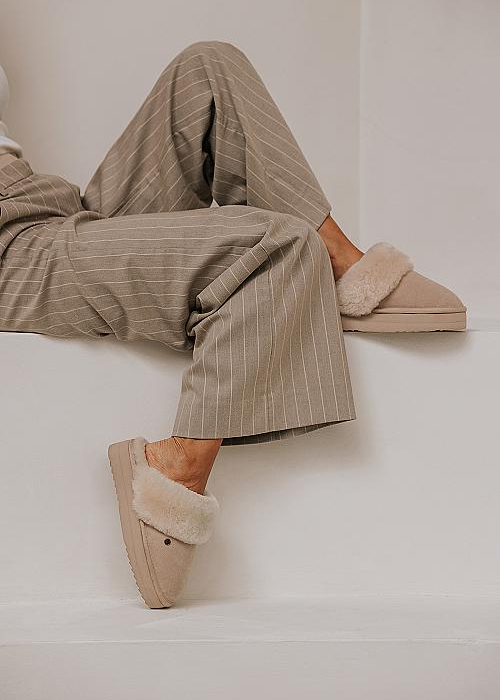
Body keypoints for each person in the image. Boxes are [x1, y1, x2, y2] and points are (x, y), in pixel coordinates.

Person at [0, 42, 466, 609]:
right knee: (278, 245)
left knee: (209, 68)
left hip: (45, 204)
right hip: (11, 252)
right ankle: (181, 465)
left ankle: (339, 257)